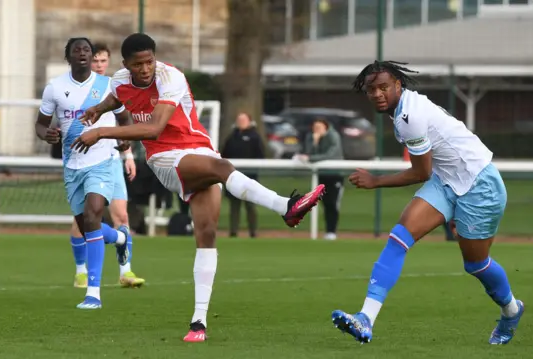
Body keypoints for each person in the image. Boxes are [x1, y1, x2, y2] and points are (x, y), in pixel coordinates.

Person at [71, 33, 326, 342]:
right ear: (126, 65)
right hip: (164, 159)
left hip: (198, 151)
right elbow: (120, 100)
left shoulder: (170, 77)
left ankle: (198, 322)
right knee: (222, 169)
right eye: (138, 64)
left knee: (206, 235)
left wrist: (100, 132)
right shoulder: (120, 79)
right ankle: (285, 207)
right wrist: (98, 109)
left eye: (149, 61)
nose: (146, 69)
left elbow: (153, 127)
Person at [330, 61, 523, 345]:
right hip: (446, 179)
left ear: (399, 85)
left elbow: (421, 172)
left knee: (476, 264)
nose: (378, 94)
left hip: (479, 183)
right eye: (372, 89)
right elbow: (431, 171)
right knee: (398, 240)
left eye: (384, 87)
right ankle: (365, 319)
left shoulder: (410, 116)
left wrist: (376, 181)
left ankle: (511, 310)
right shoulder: (402, 111)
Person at [35, 37, 133, 310]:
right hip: (72, 165)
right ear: (68, 57)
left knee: (92, 215)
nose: (82, 53)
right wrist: (49, 135)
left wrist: (125, 142)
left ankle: (93, 293)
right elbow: (41, 125)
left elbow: (125, 120)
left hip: (102, 161)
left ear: (92, 57)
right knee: (86, 224)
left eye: (86, 50)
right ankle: (121, 238)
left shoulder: (107, 86)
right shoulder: (55, 87)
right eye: (76, 50)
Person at [65, 42, 145, 289]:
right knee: (84, 219)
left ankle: (126, 271)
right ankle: (81, 271)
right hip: (82, 162)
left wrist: (128, 154)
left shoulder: (113, 87)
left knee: (121, 214)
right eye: (94, 60)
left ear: (108, 62)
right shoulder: (75, 87)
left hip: (110, 159)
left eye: (102, 61)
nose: (98, 65)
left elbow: (123, 122)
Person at [295, 118, 344, 240]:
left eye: (319, 127)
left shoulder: (334, 136)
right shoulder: (311, 137)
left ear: (326, 127)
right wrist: (315, 143)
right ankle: (328, 231)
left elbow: (330, 155)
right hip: (320, 174)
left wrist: (310, 158)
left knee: (333, 203)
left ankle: (331, 231)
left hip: (335, 174)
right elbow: (308, 152)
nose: (316, 130)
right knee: (325, 203)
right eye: (315, 128)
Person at [220, 112, 265, 238]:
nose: (241, 122)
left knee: (250, 206)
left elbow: (261, 155)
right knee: (234, 206)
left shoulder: (255, 137)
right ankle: (233, 232)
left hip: (250, 178)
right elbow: (224, 154)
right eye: (239, 120)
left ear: (249, 121)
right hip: (233, 178)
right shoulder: (231, 137)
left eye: (243, 120)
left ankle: (253, 232)